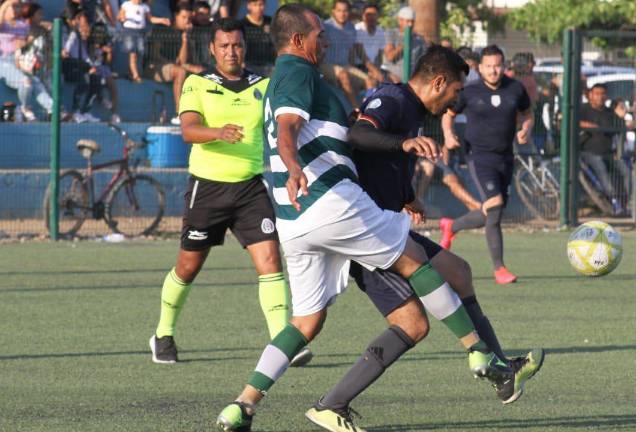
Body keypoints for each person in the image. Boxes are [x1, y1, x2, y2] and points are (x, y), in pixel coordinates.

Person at [216, 6, 513, 430]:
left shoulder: (293, 77)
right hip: (330, 201)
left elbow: (322, 131)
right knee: (414, 259)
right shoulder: (296, 71)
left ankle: (242, 405)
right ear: (298, 40)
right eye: (319, 33)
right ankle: (478, 352)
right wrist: (294, 165)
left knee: (306, 322)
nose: (326, 40)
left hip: (294, 221)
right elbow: (287, 129)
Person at [304, 46, 544, 431]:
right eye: (454, 92)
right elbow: (360, 134)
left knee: (460, 272)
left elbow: (380, 163)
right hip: (364, 236)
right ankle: (331, 404)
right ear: (437, 82)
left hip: (386, 223)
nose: (456, 102)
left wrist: (406, 196)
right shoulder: (395, 98)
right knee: (413, 324)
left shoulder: (412, 109)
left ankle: (501, 370)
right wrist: (403, 144)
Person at [148, 18, 313, 368]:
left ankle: (283, 342)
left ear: (244, 47)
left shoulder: (264, 85)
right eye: (224, 46)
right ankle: (163, 333)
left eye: (236, 45)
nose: (231, 51)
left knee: (270, 262)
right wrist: (218, 132)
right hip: (207, 189)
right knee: (188, 266)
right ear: (212, 49)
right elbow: (189, 131)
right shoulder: (197, 83)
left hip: (251, 188)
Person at [439, 45, 533, 285]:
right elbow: (447, 115)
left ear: (504, 65)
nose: (493, 71)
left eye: (497, 65)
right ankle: (500, 268)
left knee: (492, 211)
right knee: (496, 207)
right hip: (479, 157)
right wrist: (448, 136)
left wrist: (526, 128)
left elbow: (527, 113)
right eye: (489, 66)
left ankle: (452, 226)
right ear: (479, 68)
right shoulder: (470, 92)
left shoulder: (515, 88)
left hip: (506, 157)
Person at [144, 4, 203, 122]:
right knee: (180, 71)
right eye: (184, 17)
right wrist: (174, 64)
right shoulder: (162, 29)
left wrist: (185, 39)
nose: (187, 21)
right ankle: (179, 113)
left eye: (189, 19)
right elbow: (155, 55)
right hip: (154, 67)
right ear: (176, 16)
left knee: (202, 72)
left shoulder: (188, 33)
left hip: (176, 66)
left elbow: (182, 61)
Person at [578, 83, 631, 215]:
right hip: (589, 152)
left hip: (609, 153)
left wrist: (621, 117)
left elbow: (620, 130)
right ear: (590, 95)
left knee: (626, 172)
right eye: (597, 94)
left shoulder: (609, 113)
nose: (600, 97)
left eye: (603, 94)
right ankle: (613, 203)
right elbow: (574, 122)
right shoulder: (582, 109)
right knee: (602, 171)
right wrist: (587, 125)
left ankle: (624, 203)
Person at [321, 0, 378, 109]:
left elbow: (352, 51)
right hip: (326, 65)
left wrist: (370, 69)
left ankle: (369, 111)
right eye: (339, 10)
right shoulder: (325, 26)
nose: (342, 14)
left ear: (349, 12)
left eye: (345, 11)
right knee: (343, 75)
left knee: (370, 81)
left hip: (345, 66)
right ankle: (356, 111)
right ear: (333, 11)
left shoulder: (351, 28)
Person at [118, 0, 170, 82]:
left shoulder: (144, 7)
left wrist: (162, 20)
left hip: (140, 32)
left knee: (139, 53)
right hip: (129, 31)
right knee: (133, 54)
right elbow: (120, 15)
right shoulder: (126, 5)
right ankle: (135, 75)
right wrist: (122, 18)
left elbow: (151, 18)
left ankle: (131, 71)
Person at [382, 6, 425, 83]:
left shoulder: (419, 40)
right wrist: (406, 41)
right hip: (392, 79)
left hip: (412, 81)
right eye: (408, 21)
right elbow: (390, 57)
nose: (410, 24)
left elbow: (423, 62)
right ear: (400, 21)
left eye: (412, 21)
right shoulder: (391, 34)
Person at [354, 3, 386, 89]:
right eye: (368, 14)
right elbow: (361, 55)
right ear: (363, 16)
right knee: (373, 82)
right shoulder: (358, 29)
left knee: (395, 80)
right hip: (359, 66)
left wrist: (377, 69)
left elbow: (380, 56)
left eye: (374, 15)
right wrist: (375, 72)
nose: (371, 17)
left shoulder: (380, 31)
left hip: (373, 66)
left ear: (377, 16)